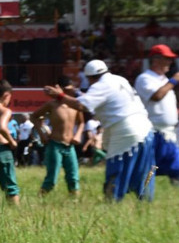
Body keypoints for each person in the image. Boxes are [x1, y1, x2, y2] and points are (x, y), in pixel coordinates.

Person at [43, 60, 156, 201]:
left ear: (90, 78)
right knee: (143, 171)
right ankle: (145, 204)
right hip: (145, 128)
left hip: (125, 130)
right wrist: (76, 92)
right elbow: (99, 98)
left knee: (116, 168)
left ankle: (112, 202)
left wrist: (60, 96)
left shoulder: (100, 86)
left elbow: (82, 105)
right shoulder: (119, 79)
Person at [133, 44, 179, 186]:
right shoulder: (145, 78)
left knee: (174, 164)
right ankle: (143, 191)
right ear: (156, 60)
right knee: (150, 167)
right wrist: (174, 80)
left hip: (168, 132)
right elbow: (156, 96)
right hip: (154, 131)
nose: (170, 62)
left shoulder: (163, 80)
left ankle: (174, 191)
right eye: (167, 59)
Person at [30, 85, 84, 195]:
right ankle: (40, 198)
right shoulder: (52, 105)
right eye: (68, 89)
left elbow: (81, 122)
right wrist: (42, 134)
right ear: (59, 88)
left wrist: (78, 135)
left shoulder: (74, 105)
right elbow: (34, 116)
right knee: (52, 178)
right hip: (55, 144)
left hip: (70, 145)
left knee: (73, 177)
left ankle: (75, 201)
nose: (71, 91)